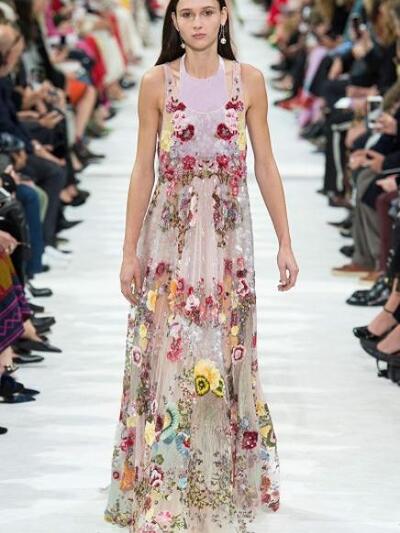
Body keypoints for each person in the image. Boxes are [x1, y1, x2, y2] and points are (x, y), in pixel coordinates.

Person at [104, 0, 299, 531]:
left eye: (206, 12)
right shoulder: (156, 83)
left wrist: (285, 240)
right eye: (187, 13)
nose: (197, 23)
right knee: (171, 347)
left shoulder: (249, 81)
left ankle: (218, 480)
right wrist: (128, 250)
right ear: (174, 21)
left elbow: (265, 164)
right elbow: (142, 169)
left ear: (224, 16)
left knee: (224, 347)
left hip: (231, 243)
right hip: (169, 241)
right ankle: (165, 482)